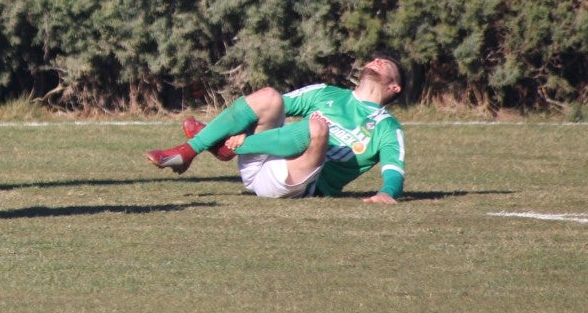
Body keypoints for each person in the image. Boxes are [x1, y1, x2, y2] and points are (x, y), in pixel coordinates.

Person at [145, 52, 408, 203]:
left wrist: (387, 193)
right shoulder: (325, 93)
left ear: (394, 87)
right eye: (375, 58)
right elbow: (263, 109)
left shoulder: (387, 127)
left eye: (387, 64)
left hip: (294, 184)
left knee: (317, 128)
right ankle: (188, 152)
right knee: (270, 96)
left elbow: (394, 171)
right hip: (262, 158)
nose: (377, 60)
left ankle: (227, 147)